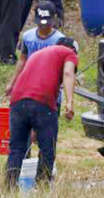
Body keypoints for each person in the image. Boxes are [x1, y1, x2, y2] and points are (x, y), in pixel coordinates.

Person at [5, 37, 78, 190]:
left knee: (17, 147)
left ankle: (10, 189)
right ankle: (42, 188)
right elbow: (68, 73)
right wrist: (70, 102)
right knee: (47, 148)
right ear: (74, 50)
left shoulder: (38, 53)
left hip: (17, 100)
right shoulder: (69, 53)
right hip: (42, 101)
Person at [6, 1, 66, 97]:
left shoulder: (60, 40)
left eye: (47, 24)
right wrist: (12, 83)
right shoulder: (27, 36)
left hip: (51, 90)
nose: (43, 27)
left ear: (54, 18)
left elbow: (65, 67)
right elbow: (22, 60)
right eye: (40, 24)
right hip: (29, 86)